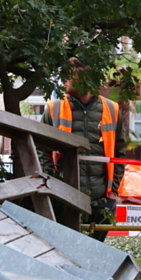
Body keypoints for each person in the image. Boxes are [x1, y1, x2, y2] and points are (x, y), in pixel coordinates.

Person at [43, 59, 126, 242]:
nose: (64, 82)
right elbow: (42, 151)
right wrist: (53, 185)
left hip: (102, 196)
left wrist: (113, 192)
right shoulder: (53, 109)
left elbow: (120, 153)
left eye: (69, 78)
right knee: (64, 246)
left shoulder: (112, 109)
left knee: (95, 249)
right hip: (65, 195)